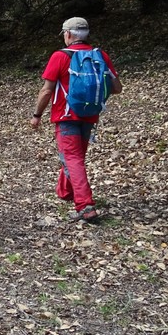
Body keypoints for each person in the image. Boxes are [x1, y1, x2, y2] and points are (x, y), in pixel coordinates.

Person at [30, 17, 122, 222]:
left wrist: (37, 115)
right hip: (90, 115)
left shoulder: (60, 57)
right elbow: (117, 88)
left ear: (69, 34)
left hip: (66, 116)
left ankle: (86, 206)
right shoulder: (100, 55)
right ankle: (65, 192)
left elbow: (46, 91)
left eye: (64, 33)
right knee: (75, 157)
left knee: (72, 159)